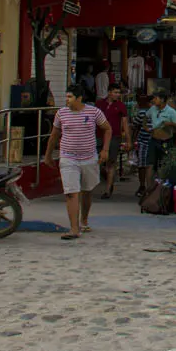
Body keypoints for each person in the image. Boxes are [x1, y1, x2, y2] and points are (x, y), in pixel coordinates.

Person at [44, 84, 111, 241]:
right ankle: (74, 228)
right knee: (71, 192)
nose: (67, 100)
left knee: (87, 190)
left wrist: (105, 150)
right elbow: (54, 135)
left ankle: (84, 220)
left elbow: (107, 129)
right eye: (66, 97)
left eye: (70, 97)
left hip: (89, 157)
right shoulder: (61, 114)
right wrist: (47, 155)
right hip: (68, 157)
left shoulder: (94, 112)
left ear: (79, 98)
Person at [95, 85, 131, 199]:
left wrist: (128, 140)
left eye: (119, 93)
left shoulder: (121, 106)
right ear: (109, 92)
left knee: (111, 162)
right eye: (115, 92)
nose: (117, 95)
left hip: (115, 137)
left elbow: (125, 123)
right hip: (99, 136)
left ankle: (108, 189)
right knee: (96, 161)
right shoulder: (100, 104)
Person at [144, 90, 176, 185]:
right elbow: (145, 117)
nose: (154, 100)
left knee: (166, 165)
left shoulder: (171, 112)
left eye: (156, 98)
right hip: (154, 140)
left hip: (166, 141)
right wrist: (146, 127)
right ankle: (149, 189)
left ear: (162, 99)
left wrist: (170, 124)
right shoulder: (152, 109)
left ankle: (164, 189)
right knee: (150, 165)